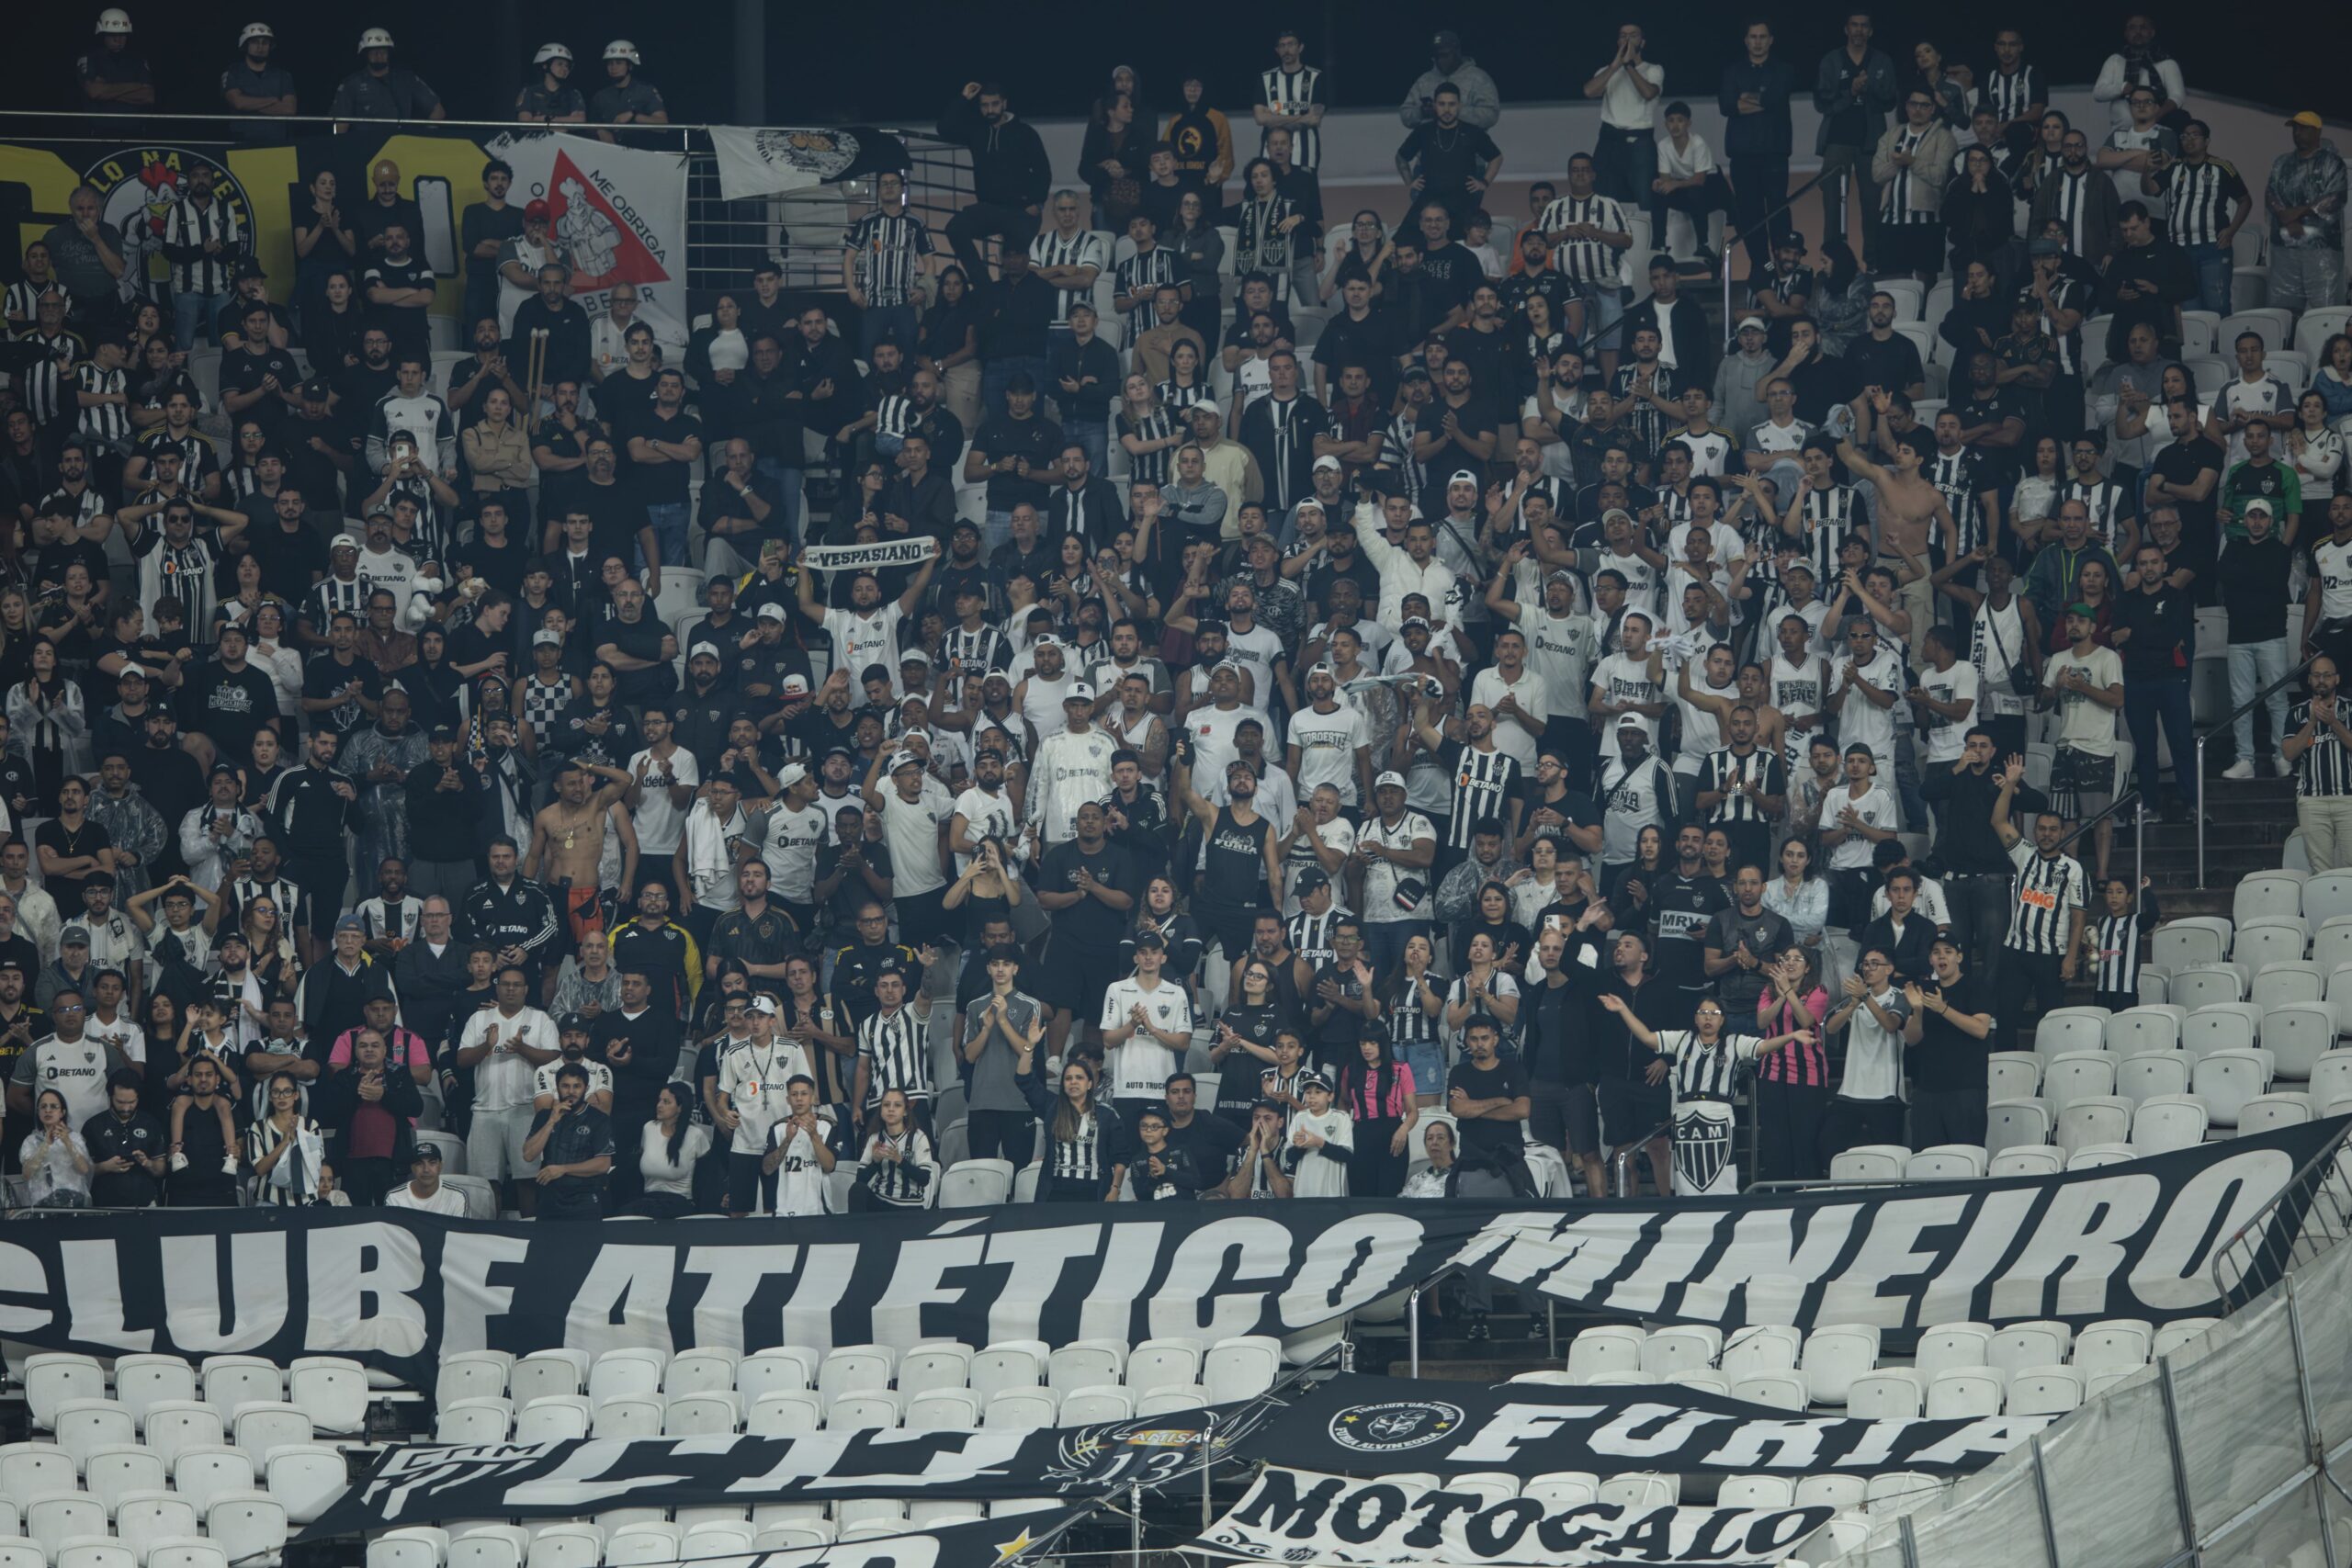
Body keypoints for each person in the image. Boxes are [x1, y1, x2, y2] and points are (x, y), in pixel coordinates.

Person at [1990, 755, 2089, 1050]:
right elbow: (1998, 821)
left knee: (2051, 1022)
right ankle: (2006, 1068)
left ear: (2062, 833)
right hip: (2016, 952)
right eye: (2042, 829)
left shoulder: (2074, 869)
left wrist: (2070, 957)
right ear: (2035, 831)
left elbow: (2078, 918)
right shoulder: (2024, 853)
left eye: (2053, 829)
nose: (2047, 834)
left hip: (2051, 956)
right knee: (2006, 1017)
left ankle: (2049, 1069)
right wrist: (2010, 784)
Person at [1905, 936, 1996, 1149]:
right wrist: (1918, 1011)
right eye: (1936, 952)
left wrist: (1943, 1009)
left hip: (1966, 1089)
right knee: (1926, 1158)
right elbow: (1911, 1038)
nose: (1942, 956)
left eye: (1948, 951)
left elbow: (1981, 1029)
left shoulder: (1976, 985)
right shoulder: (1924, 991)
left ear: (1959, 957)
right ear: (1930, 960)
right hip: (1927, 1089)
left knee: (1965, 1157)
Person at [523, 1060, 614, 1220]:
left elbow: (603, 1164)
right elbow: (528, 1155)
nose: (571, 1092)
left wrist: (563, 1169)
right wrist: (551, 1122)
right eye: (565, 1086)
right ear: (557, 1088)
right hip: (549, 1198)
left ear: (586, 1088)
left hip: (585, 1199)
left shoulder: (598, 1119)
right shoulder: (544, 1116)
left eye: (576, 1086)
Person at [386, 1143, 467, 1214]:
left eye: (432, 1163)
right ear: (412, 1168)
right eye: (419, 1164)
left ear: (440, 1166)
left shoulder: (457, 1196)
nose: (426, 1170)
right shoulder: (394, 1197)